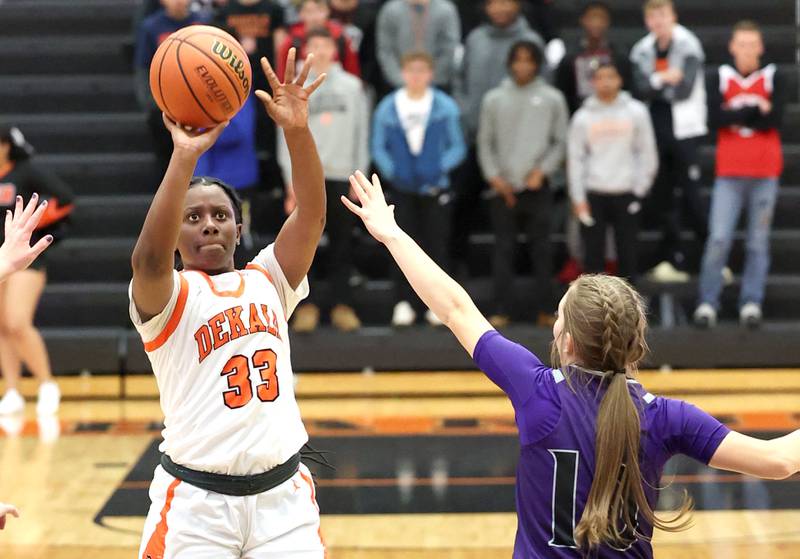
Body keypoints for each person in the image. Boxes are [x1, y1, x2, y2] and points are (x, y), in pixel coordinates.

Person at [342, 169, 800, 557]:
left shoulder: (538, 392)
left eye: (559, 319)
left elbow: (456, 309)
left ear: (569, 342)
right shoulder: (665, 417)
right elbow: (779, 461)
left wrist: (392, 234)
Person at [130, 48, 328, 557]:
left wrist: (297, 130)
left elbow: (310, 215)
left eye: (220, 214)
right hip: (195, 506)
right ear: (175, 232)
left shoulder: (267, 279)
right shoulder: (168, 296)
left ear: (239, 230)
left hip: (283, 502)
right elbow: (149, 260)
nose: (209, 223)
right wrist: (184, 156)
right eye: (192, 218)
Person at [693, 20, 785, 330]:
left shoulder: (774, 76)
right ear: (732, 47)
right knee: (718, 238)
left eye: (752, 44)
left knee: (758, 242)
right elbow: (714, 117)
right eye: (741, 44)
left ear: (760, 47)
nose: (746, 50)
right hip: (729, 172)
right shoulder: (719, 76)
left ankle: (751, 301)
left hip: (764, 171)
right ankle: (708, 301)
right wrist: (753, 110)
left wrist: (736, 115)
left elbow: (775, 118)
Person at [279, 28, 369, 333]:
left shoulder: (354, 87)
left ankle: (343, 305)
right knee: (305, 246)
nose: (320, 49)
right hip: (306, 178)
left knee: (343, 246)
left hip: (341, 176)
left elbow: (362, 134)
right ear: (306, 50)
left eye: (325, 44)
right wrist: (289, 179)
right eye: (313, 44)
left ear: (336, 49)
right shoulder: (294, 87)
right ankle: (306, 307)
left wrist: (358, 176)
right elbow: (284, 137)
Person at [477, 40, 568, 328]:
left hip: (537, 186)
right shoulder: (494, 98)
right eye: (518, 60)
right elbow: (484, 141)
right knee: (503, 250)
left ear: (537, 63)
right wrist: (495, 177)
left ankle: (546, 310)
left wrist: (542, 171)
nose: (523, 65)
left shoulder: (552, 98)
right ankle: (501, 309)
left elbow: (560, 141)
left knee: (542, 250)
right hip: (502, 189)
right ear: (510, 63)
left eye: (529, 60)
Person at [371, 51, 465, 327]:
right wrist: (394, 172)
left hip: (435, 187)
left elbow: (457, 145)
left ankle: (438, 305)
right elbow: (378, 146)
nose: (416, 76)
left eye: (422, 70)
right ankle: (403, 302)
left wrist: (438, 168)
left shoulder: (445, 107)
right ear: (402, 73)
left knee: (436, 245)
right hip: (402, 188)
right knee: (399, 244)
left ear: (430, 74)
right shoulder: (388, 107)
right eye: (411, 70)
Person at [451, 0, 544, 271]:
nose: (500, 8)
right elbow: (459, 79)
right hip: (475, 137)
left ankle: (524, 269)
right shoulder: (475, 39)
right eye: (494, 3)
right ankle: (458, 264)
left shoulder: (531, 40)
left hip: (518, 146)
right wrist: (466, 112)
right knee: (462, 202)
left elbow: (543, 87)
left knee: (524, 210)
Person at [630, 0, 708, 283]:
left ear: (673, 16)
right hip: (656, 129)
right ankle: (670, 255)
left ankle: (704, 257)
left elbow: (684, 89)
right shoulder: (641, 49)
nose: (658, 20)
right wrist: (665, 78)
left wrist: (655, 82)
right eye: (652, 15)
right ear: (646, 20)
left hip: (686, 129)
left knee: (692, 194)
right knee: (662, 196)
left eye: (662, 14)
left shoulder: (689, 45)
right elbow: (639, 88)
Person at [0, 126, 74, 417]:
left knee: (17, 322)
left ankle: (46, 384)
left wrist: (39, 224)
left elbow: (65, 198)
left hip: (23, 261)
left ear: (6, 145)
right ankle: (12, 391)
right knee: (1, 327)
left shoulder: (24, 172)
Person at [568, 63, 658, 280]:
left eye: (611, 76)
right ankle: (594, 312)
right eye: (600, 77)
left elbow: (647, 153)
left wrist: (640, 190)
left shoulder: (636, 112)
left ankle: (630, 312)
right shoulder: (582, 117)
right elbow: (575, 159)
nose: (606, 82)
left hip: (626, 191)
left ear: (620, 80)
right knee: (593, 262)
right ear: (592, 82)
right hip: (594, 192)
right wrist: (578, 198)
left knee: (628, 256)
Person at [133, 0, 207, 174]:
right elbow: (142, 67)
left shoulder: (202, 23)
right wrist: (151, 104)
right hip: (164, 109)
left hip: (197, 108)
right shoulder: (151, 26)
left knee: (197, 165)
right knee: (166, 164)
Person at [195, 95, 260, 247]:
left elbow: (239, 133)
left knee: (239, 242)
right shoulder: (194, 91)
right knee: (204, 242)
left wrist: (204, 122)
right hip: (202, 182)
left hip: (237, 182)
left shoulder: (237, 90)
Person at [556, 1, 630, 115]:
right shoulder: (569, 59)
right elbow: (563, 93)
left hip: (615, 117)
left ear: (607, 22)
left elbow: (628, 90)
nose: (596, 23)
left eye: (601, 18)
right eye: (592, 17)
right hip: (580, 116)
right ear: (583, 20)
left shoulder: (620, 56)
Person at [376, 0, 461, 92]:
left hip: (437, 86)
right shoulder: (390, 11)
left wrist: (429, 79)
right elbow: (386, 50)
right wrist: (400, 80)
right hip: (397, 86)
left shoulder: (445, 11)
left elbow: (449, 49)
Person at [276, 0, 361, 79]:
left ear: (328, 11)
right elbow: (282, 74)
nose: (315, 17)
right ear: (301, 13)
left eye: (320, 10)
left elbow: (352, 71)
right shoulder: (292, 41)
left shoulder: (340, 37)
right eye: (309, 11)